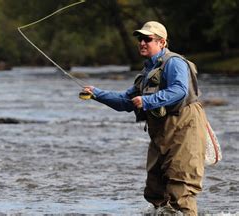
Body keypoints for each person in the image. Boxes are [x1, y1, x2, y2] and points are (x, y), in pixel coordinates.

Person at [82, 21, 207, 215]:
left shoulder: (174, 62)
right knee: (155, 187)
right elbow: (125, 101)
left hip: (185, 128)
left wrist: (148, 101)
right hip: (162, 132)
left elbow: (179, 91)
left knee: (180, 186)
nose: (142, 43)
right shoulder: (148, 70)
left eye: (147, 39)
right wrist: (97, 93)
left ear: (162, 42)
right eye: (140, 39)